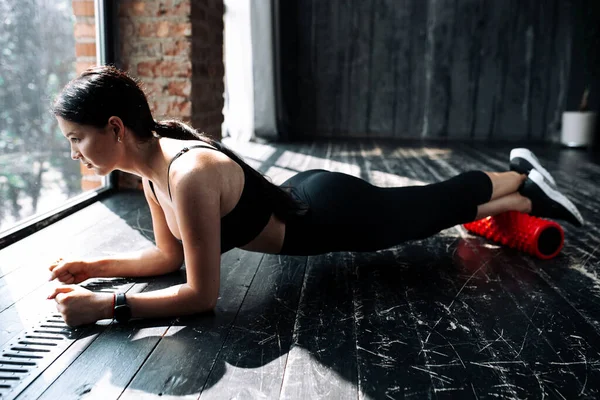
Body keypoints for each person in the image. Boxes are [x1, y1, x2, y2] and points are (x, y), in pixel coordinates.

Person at [47, 66, 584, 327]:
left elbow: (202, 295)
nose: (75, 152)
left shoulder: (188, 175)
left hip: (333, 216)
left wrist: (106, 305)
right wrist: (90, 265)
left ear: (115, 127)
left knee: (433, 206)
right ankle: (525, 200)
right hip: (302, 198)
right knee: (433, 210)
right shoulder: (151, 170)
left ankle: (516, 173)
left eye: (77, 139)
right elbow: (170, 258)